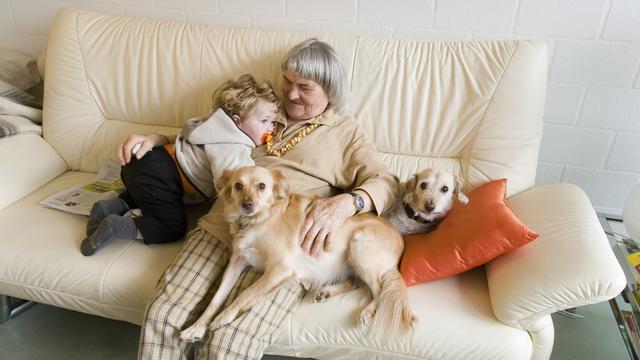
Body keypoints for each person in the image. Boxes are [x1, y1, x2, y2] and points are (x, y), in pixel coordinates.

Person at [129, 38, 397, 359]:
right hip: (223, 227)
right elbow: (205, 138)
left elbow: (386, 182)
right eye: (287, 81)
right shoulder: (260, 106)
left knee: (229, 342)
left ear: (330, 90)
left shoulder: (346, 132)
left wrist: (348, 203)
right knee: (164, 316)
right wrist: (156, 139)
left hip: (287, 245)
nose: (291, 93)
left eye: (305, 87)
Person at [81, 74, 279, 256]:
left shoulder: (210, 124)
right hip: (163, 176)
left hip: (146, 159)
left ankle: (111, 206)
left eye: (272, 122)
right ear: (237, 121)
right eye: (265, 121)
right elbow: (229, 182)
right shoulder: (232, 146)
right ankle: (118, 226)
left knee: (146, 196)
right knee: (171, 226)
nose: (270, 128)